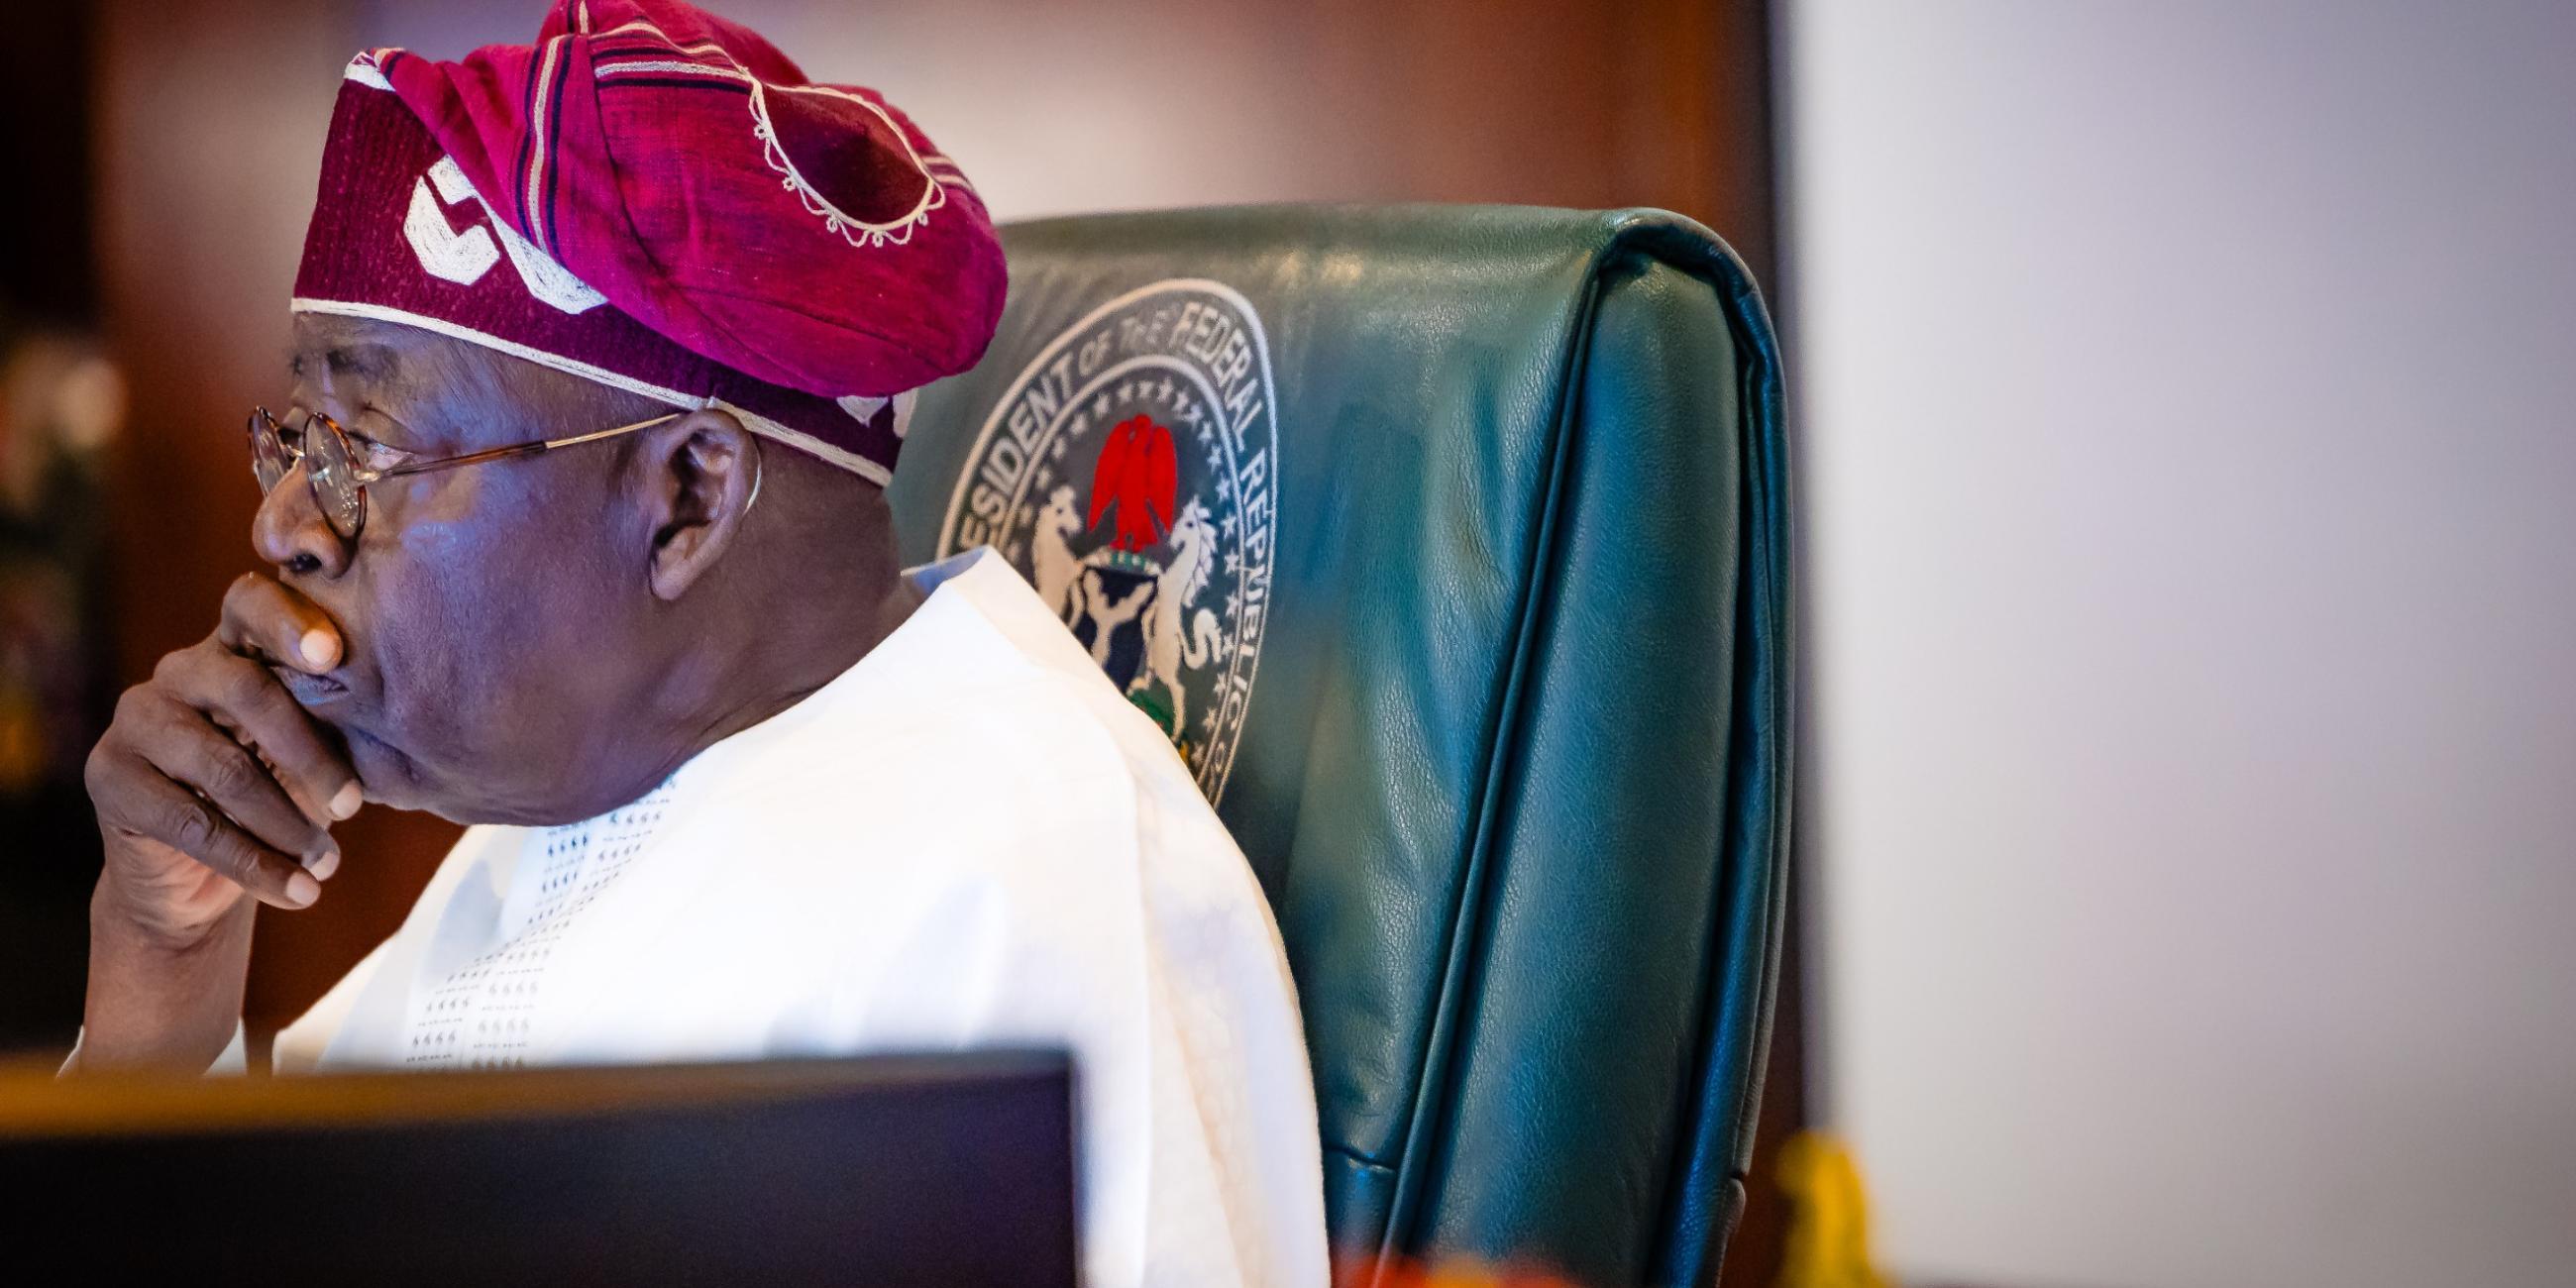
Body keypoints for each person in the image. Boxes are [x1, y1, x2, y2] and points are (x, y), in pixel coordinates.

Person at [67, 2, 1328, 1284]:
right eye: (298, 440)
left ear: (687, 499)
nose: (284, 525)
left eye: (365, 448)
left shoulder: (1030, 878)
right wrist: (166, 965)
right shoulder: (589, 789)